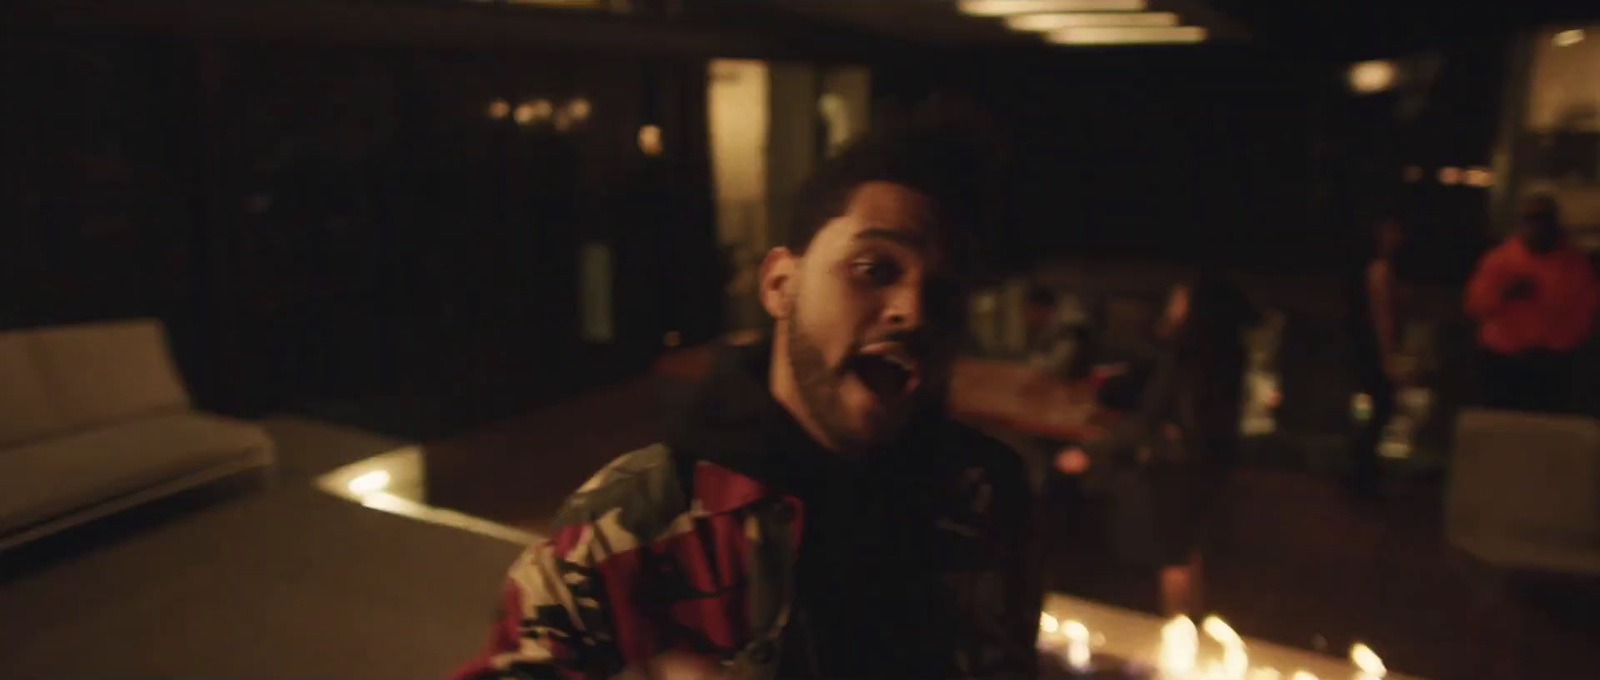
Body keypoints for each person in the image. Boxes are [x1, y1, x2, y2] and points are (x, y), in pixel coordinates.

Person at [455, 119, 1039, 680]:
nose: (914, 311)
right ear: (780, 284)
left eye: (943, 292)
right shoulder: (631, 525)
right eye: (873, 268)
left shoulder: (985, 497)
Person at [1057, 273, 1257, 617]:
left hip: (1177, 469)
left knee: (1173, 556)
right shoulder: (1226, 352)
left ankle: (1177, 640)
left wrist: (1091, 453)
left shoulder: (1187, 356)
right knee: (1189, 551)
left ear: (1198, 310)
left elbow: (1152, 417)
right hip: (1206, 465)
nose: (1172, 307)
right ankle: (1189, 635)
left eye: (1180, 301)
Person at [1464, 194, 1600, 413]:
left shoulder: (1574, 264)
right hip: (1505, 362)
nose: (1538, 226)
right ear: (1521, 223)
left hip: (1555, 365)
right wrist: (1505, 293)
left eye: (1544, 219)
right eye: (1531, 219)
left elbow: (1588, 311)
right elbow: (1475, 305)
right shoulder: (1500, 260)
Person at [1346, 218, 1408, 498]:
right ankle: (1362, 473)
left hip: (1368, 348)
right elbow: (1382, 317)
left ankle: (1362, 471)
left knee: (1380, 409)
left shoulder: (1376, 270)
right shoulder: (1380, 271)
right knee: (1383, 408)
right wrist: (1388, 355)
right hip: (1374, 350)